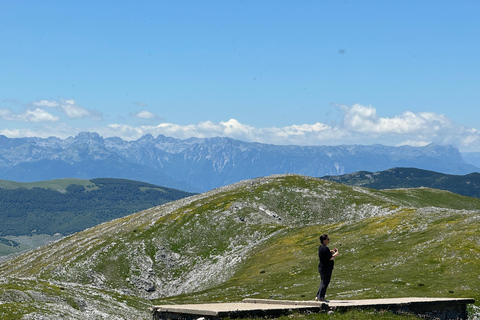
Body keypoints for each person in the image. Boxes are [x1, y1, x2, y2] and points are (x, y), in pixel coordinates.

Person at [315, 234, 339, 302]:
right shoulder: (325, 248)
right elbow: (330, 258)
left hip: (321, 267)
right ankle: (321, 297)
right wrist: (336, 254)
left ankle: (318, 296)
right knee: (325, 282)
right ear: (324, 240)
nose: (329, 240)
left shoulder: (321, 247)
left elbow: (326, 253)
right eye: (327, 239)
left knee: (322, 281)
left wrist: (331, 251)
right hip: (326, 268)